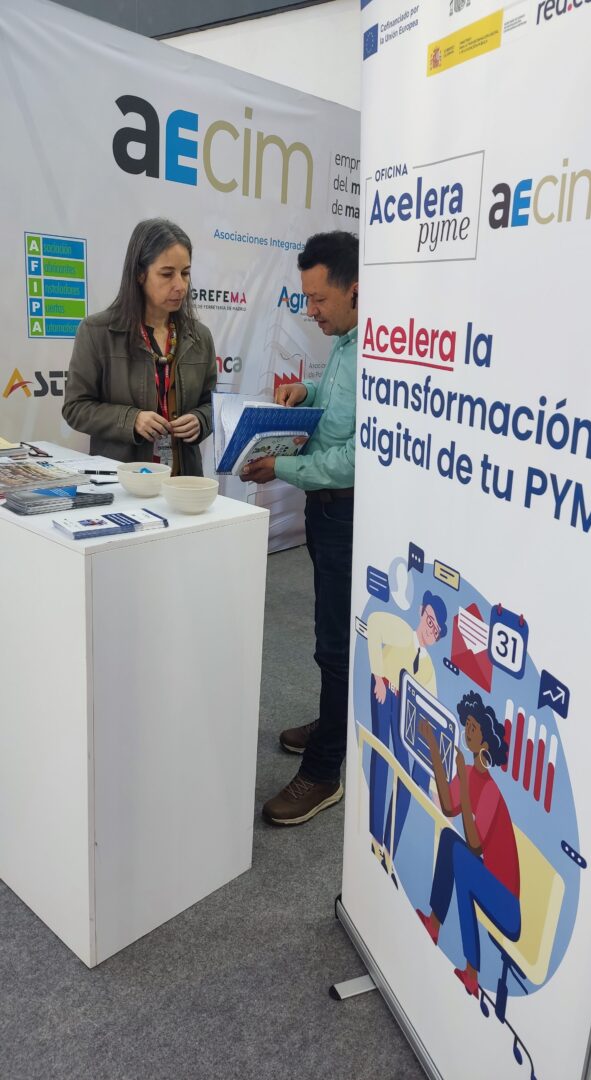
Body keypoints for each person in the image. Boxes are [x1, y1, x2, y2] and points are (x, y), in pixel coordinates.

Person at [242, 231, 358, 825]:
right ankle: (334, 720)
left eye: (318, 299)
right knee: (330, 639)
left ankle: (325, 769)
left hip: (348, 512)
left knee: (336, 646)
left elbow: (357, 458)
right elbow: (337, 407)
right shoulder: (345, 342)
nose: (310, 311)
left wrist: (281, 467)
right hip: (326, 512)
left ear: (355, 290)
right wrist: (305, 389)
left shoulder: (379, 352)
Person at [63, 218, 217, 475]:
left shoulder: (200, 336)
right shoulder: (97, 331)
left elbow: (213, 405)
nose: (180, 285)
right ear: (139, 274)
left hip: (182, 482)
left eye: (185, 273)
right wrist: (131, 420)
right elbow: (75, 408)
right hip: (122, 482)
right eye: (167, 274)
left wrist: (201, 420)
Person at [416, 691, 521, 1000]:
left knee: (462, 858)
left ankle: (472, 973)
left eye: (473, 727)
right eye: (468, 725)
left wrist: (462, 778)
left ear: (485, 742)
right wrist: (434, 747)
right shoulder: (471, 775)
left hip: (507, 904)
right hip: (487, 879)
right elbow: (448, 807)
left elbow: (475, 844)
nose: (467, 731)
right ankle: (435, 923)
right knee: (450, 840)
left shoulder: (491, 791)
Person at [366, 591, 447, 882]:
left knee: (408, 777)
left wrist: (435, 783)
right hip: (384, 690)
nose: (430, 630)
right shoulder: (402, 633)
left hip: (403, 711)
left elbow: (431, 715)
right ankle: (376, 838)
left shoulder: (428, 668)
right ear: (422, 612)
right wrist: (378, 677)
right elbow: (374, 625)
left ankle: (389, 850)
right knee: (382, 757)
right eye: (430, 621)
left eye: (436, 630)